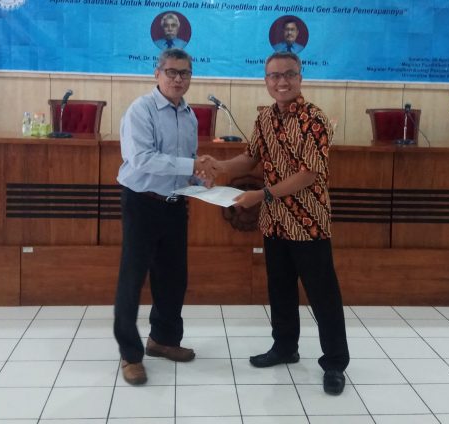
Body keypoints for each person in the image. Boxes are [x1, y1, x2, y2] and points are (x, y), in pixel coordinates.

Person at [208, 51, 349, 396]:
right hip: (275, 222)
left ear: (300, 77)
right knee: (280, 289)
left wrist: (260, 195)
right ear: (266, 80)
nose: (281, 81)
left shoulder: (315, 118)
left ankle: (334, 362)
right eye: (274, 76)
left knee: (322, 295)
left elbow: (309, 174)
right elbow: (251, 157)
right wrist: (220, 166)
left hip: (309, 222)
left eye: (288, 74)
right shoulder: (265, 118)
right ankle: (285, 347)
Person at [114, 48, 215, 385]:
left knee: (173, 278)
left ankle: (163, 340)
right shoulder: (140, 110)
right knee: (132, 279)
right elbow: (142, 159)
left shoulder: (189, 115)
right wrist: (192, 164)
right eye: (171, 72)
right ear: (157, 73)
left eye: (184, 73)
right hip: (141, 203)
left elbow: (184, 163)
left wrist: (199, 178)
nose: (177, 79)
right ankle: (130, 354)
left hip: (174, 204)